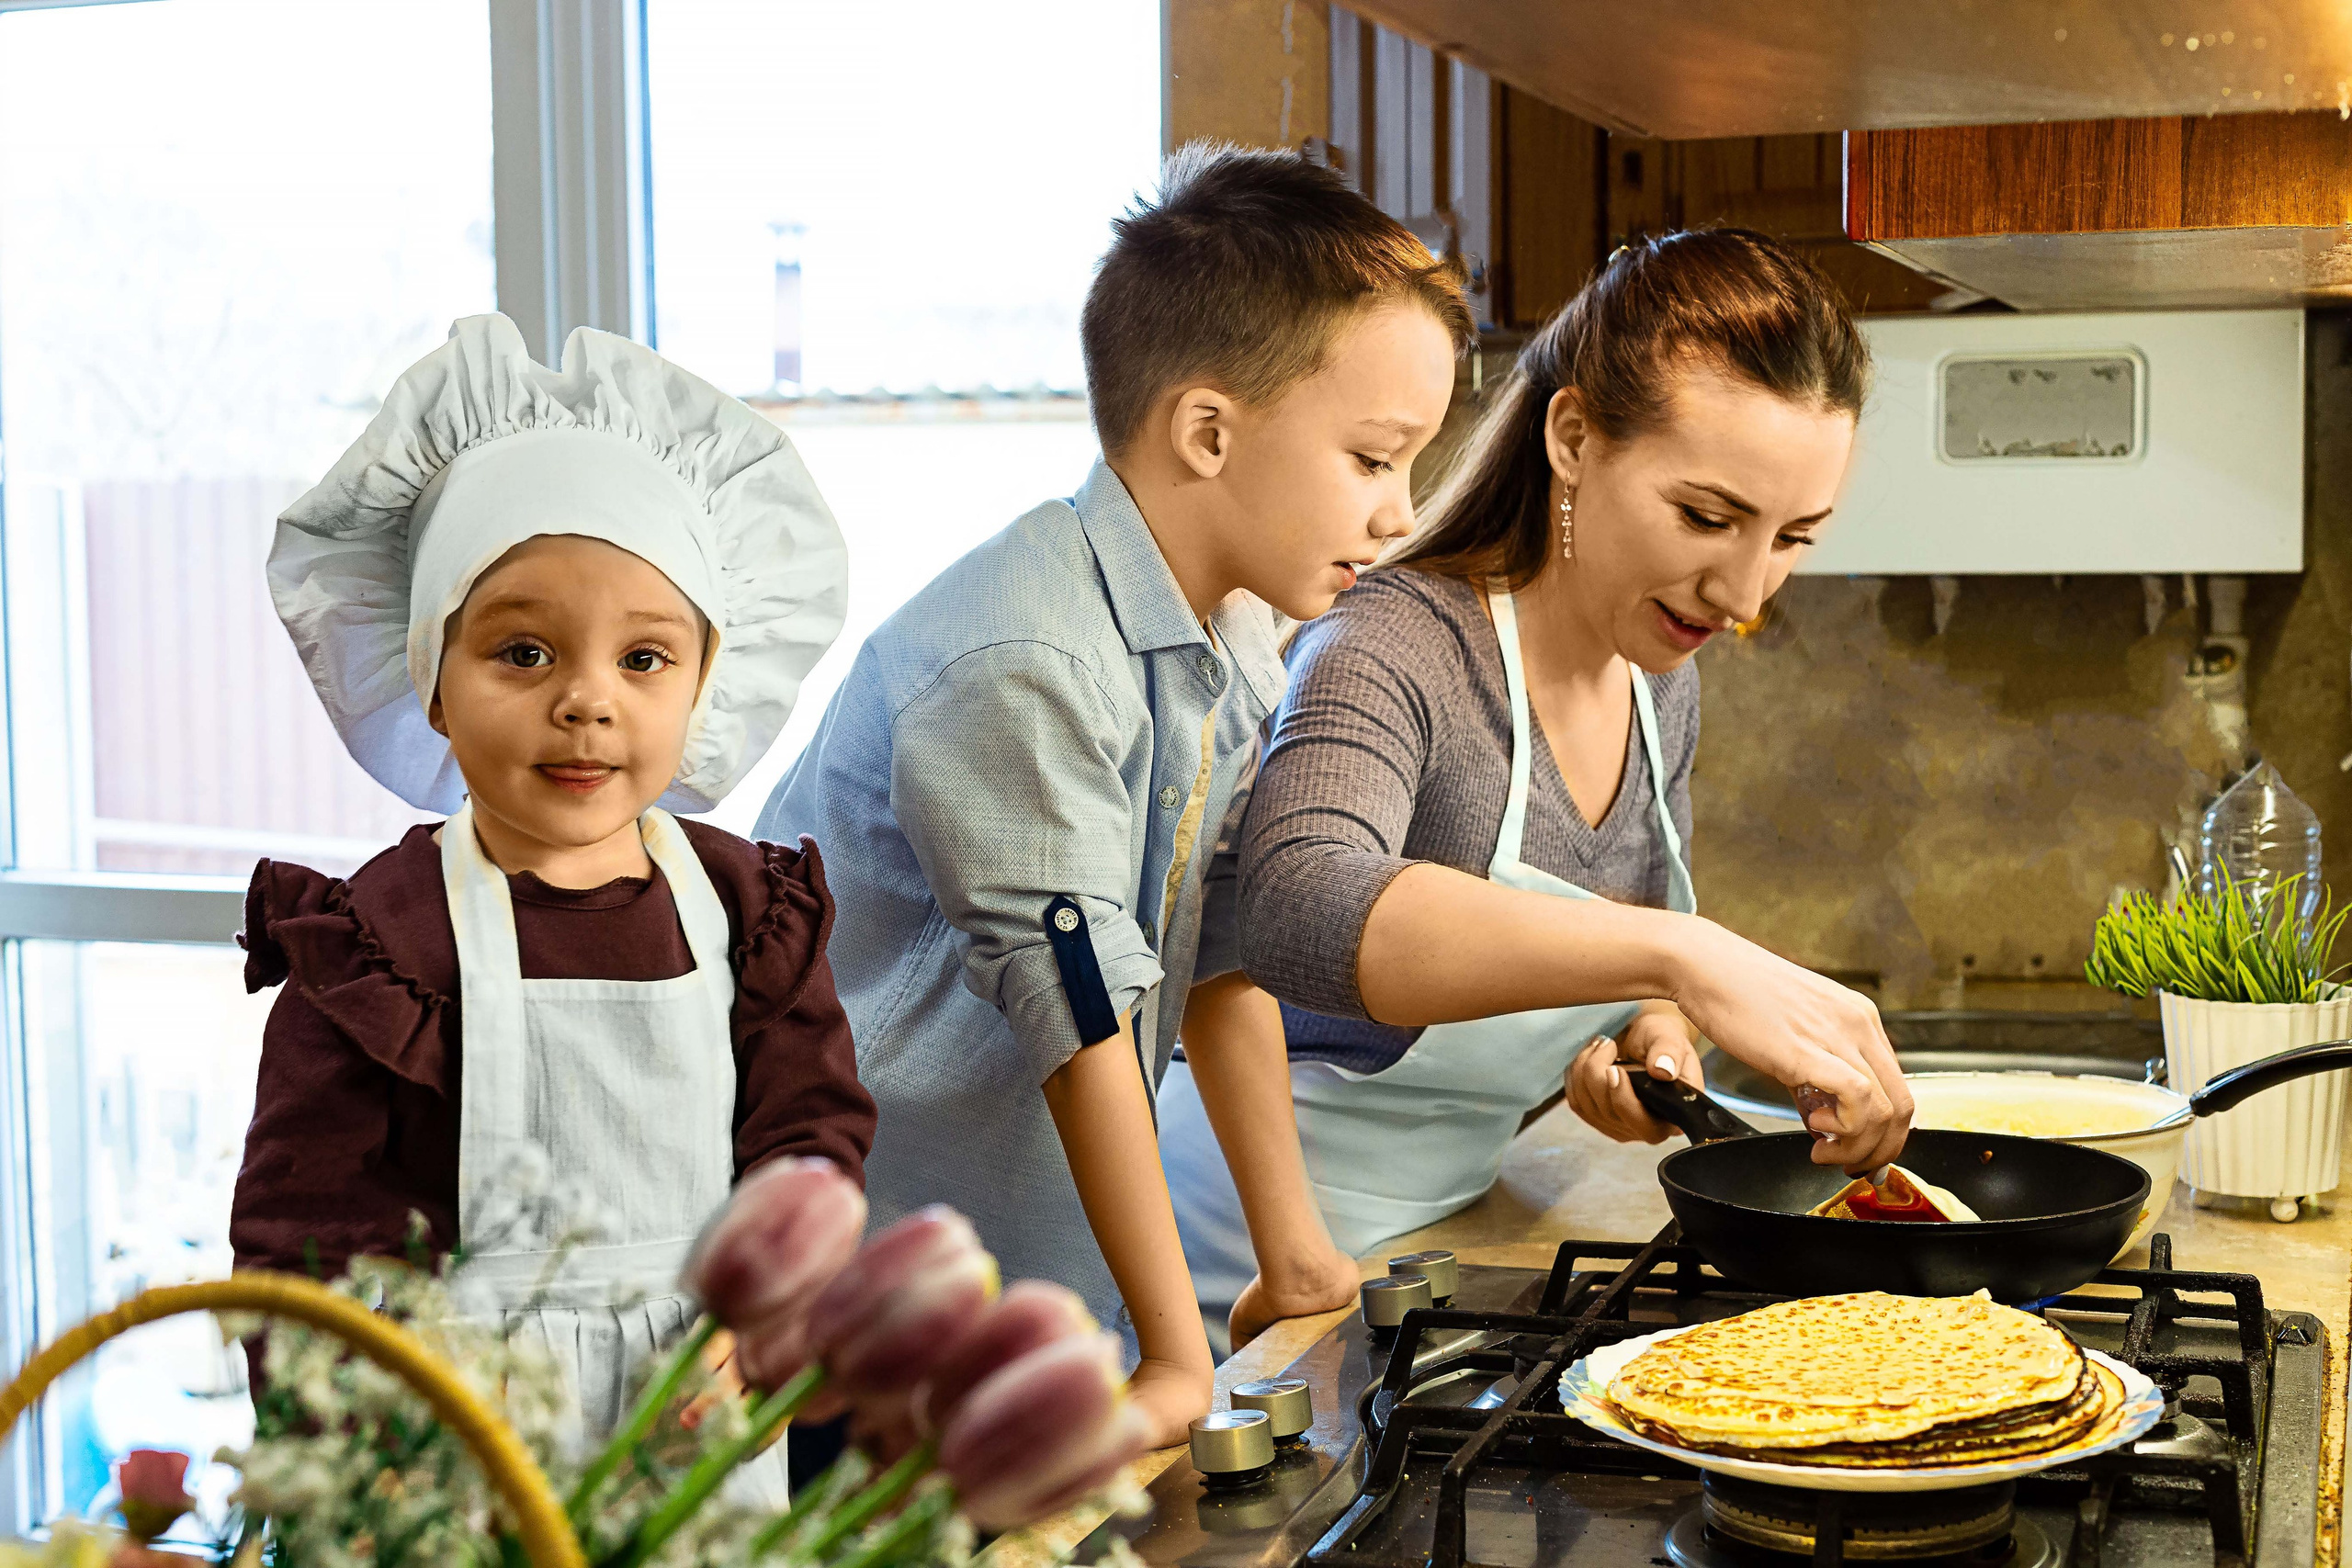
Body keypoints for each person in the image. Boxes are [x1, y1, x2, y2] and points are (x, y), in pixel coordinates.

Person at [757, 143, 1473, 1446]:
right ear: (1208, 433)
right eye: (1375, 459)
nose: (1399, 513)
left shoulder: (1229, 635)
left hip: (1022, 1291)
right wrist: (1176, 1350)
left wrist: (1294, 1251)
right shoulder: (1021, 660)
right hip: (861, 1311)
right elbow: (1081, 1015)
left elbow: (1217, 955)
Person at [1158, 230, 1916, 1351]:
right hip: (1232, 1270)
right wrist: (1682, 957)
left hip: (1440, 1242)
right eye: (1706, 518)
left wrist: (1649, 1035)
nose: (1747, 593)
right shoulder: (1392, 640)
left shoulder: (1661, 682)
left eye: (1791, 537)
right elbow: (1296, 909)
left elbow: (1612, 953)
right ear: (1573, 438)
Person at [232, 314, 876, 1491]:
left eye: (643, 659)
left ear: (705, 682)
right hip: (454, 1458)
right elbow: (303, 1243)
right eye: (523, 653)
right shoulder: (377, 942)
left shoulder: (750, 912)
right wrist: (352, 1464)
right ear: (430, 680)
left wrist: (764, 1328)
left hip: (699, 1430)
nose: (586, 701)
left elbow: (809, 1147)